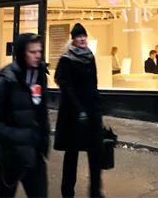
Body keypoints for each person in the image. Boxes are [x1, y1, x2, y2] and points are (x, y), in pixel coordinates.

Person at [0, 33, 50, 198]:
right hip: (10, 158)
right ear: (21, 53)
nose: (37, 55)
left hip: (35, 157)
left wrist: (43, 139)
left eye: (39, 51)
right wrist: (17, 137)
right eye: (32, 52)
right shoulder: (6, 81)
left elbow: (41, 112)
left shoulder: (40, 76)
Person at [54, 23, 104, 198]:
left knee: (95, 152)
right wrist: (78, 109)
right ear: (73, 40)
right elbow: (65, 85)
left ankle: (95, 192)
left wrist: (97, 108)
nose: (82, 39)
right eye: (78, 36)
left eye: (84, 36)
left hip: (91, 112)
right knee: (72, 154)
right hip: (73, 114)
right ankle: (67, 193)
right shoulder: (66, 59)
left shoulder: (90, 57)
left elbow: (94, 84)